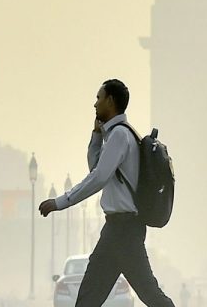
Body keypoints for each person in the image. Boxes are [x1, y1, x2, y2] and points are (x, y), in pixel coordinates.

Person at [39, 79, 175, 307]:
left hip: (124, 230)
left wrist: (60, 202)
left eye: (98, 98)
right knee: (89, 298)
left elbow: (98, 178)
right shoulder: (115, 135)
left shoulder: (120, 135)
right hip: (116, 229)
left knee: (148, 294)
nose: (95, 104)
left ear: (110, 101)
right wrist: (95, 136)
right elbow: (97, 169)